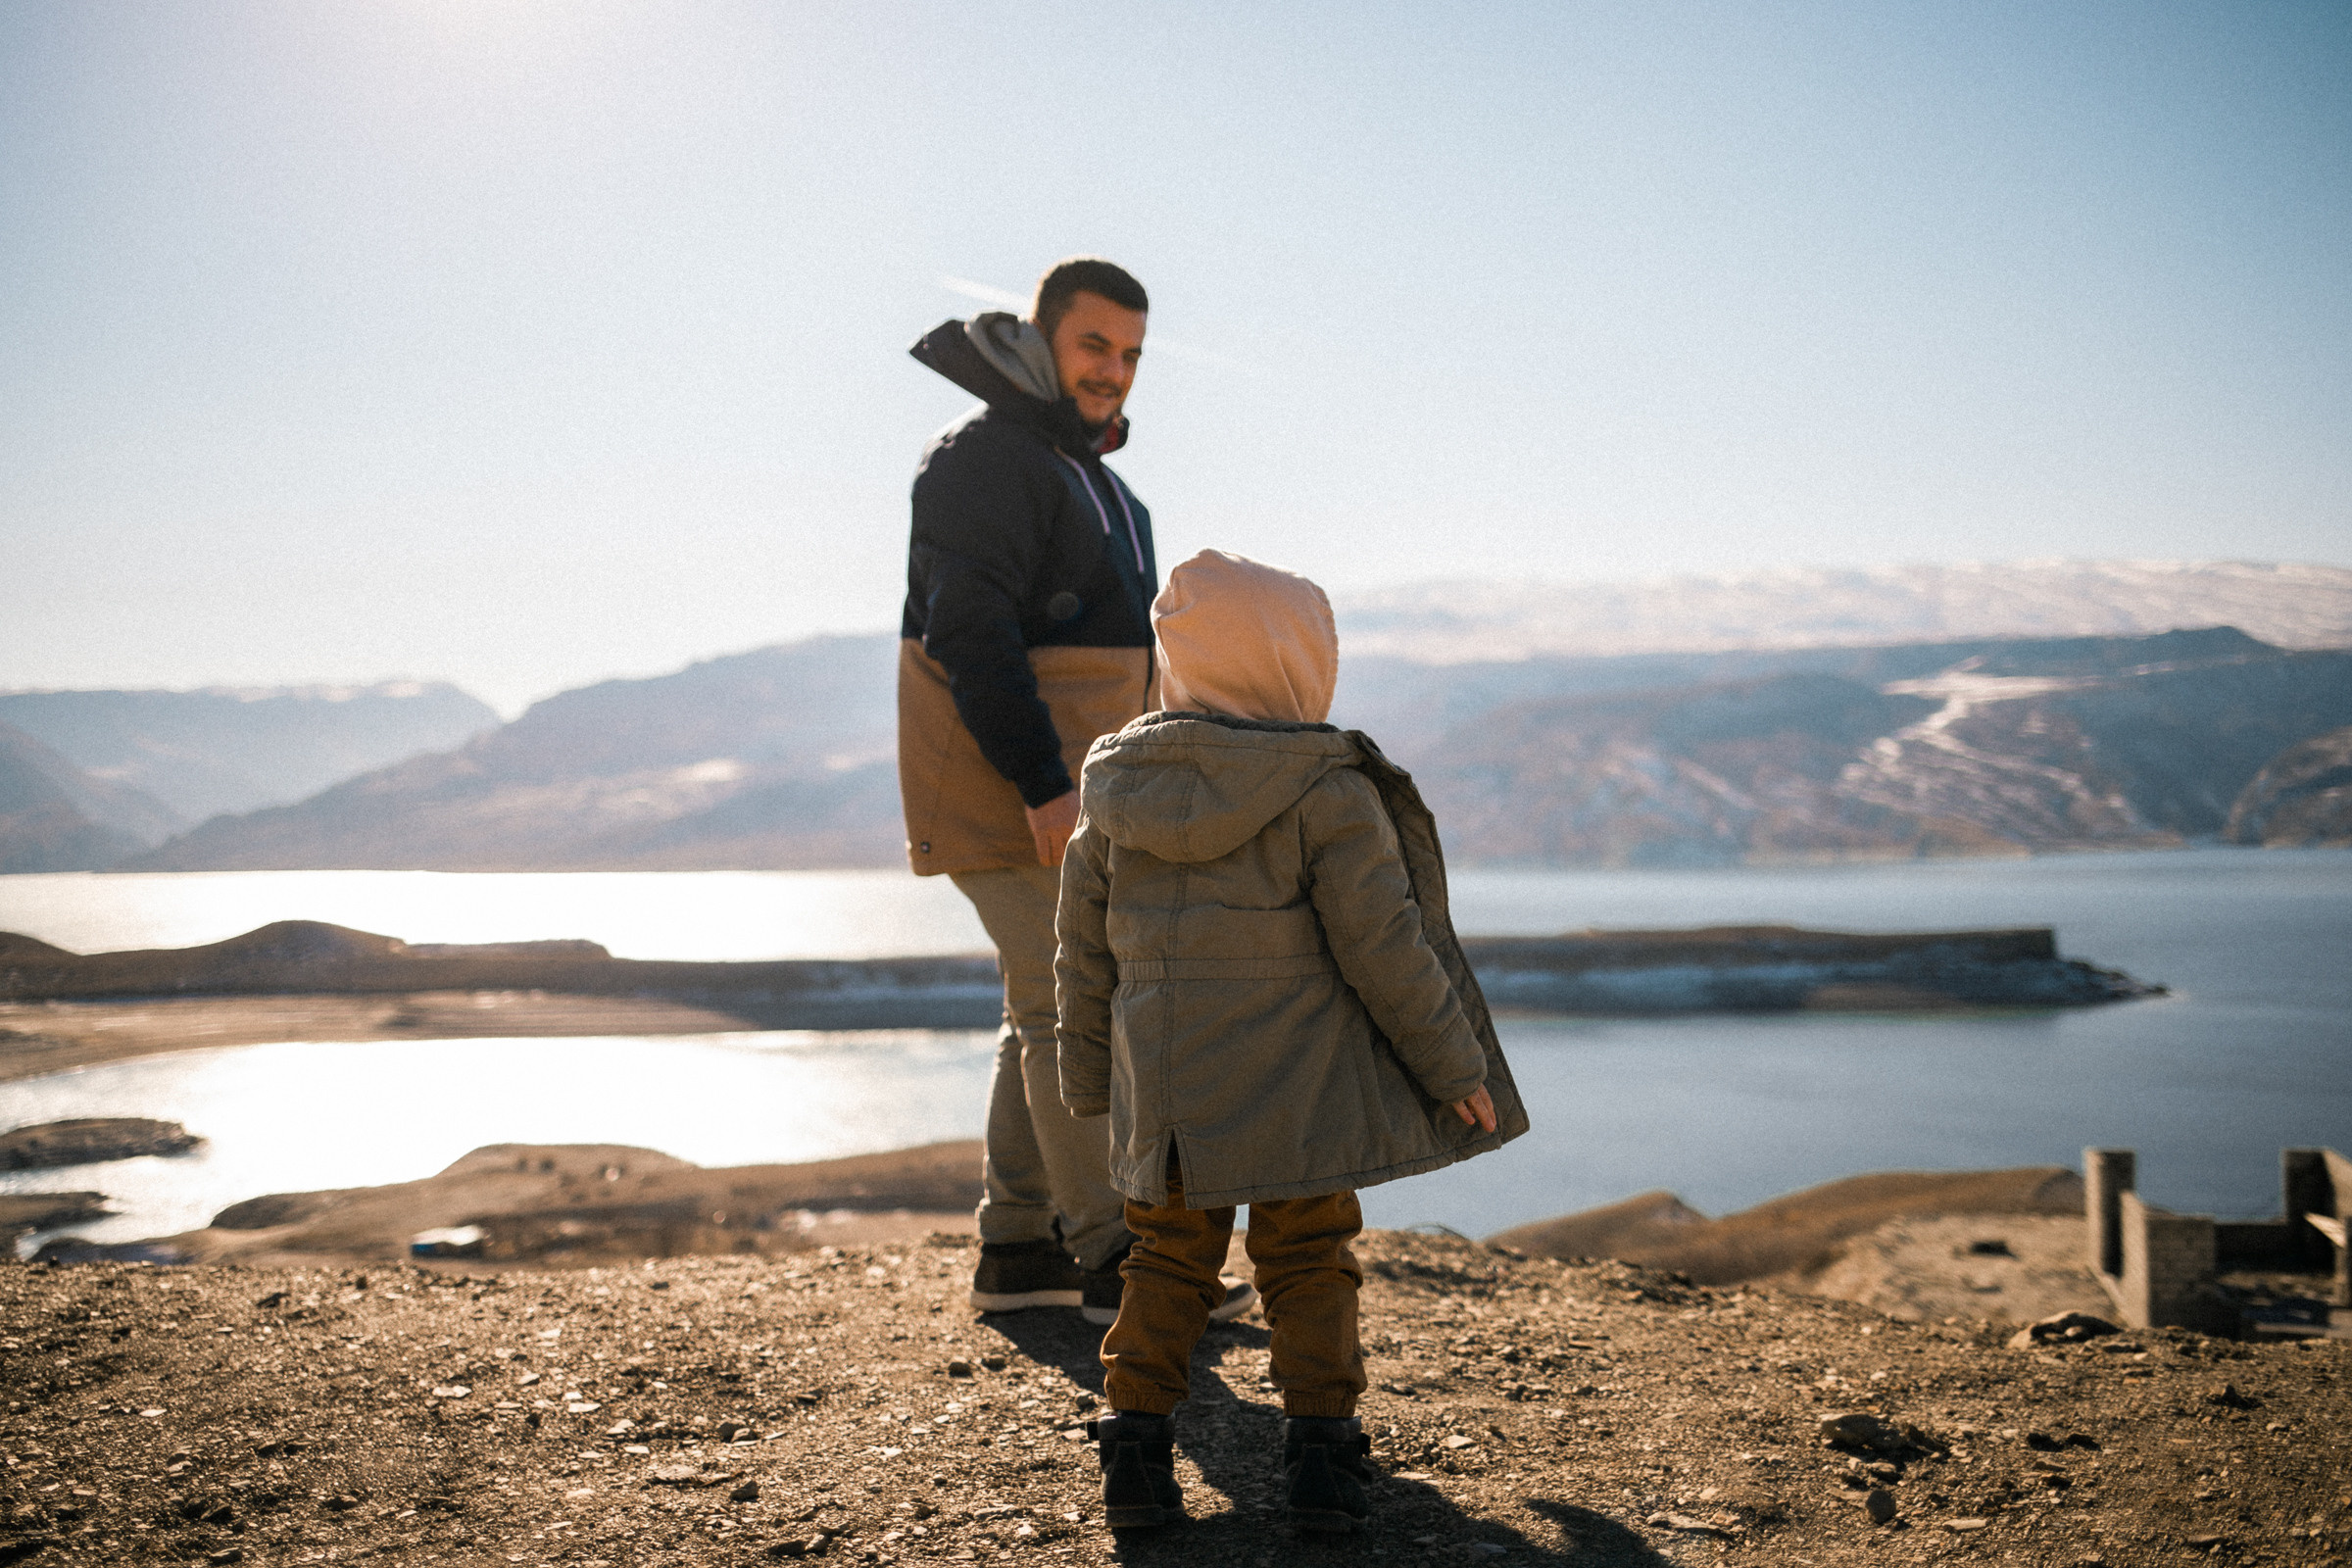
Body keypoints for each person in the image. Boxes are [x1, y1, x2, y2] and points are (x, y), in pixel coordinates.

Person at [1054, 550, 1531, 1533]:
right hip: (1301, 1095)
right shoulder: (1325, 790)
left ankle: (1135, 1454)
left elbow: (1080, 955)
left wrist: (1090, 1077)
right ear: (1300, 663)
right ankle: (1320, 1459)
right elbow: (1387, 951)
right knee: (1310, 1257)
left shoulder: (1115, 795)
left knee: (1167, 1263)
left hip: (1171, 1106)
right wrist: (1456, 1071)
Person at [898, 258, 1254, 1326]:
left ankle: (1020, 1251)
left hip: (1072, 791)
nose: (1115, 372)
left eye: (1133, 354)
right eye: (1095, 344)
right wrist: (1045, 786)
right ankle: (1115, 1260)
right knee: (1069, 1009)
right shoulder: (986, 460)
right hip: (1011, 789)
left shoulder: (1095, 476)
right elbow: (970, 632)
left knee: (1039, 1009)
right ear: (1039, 338)